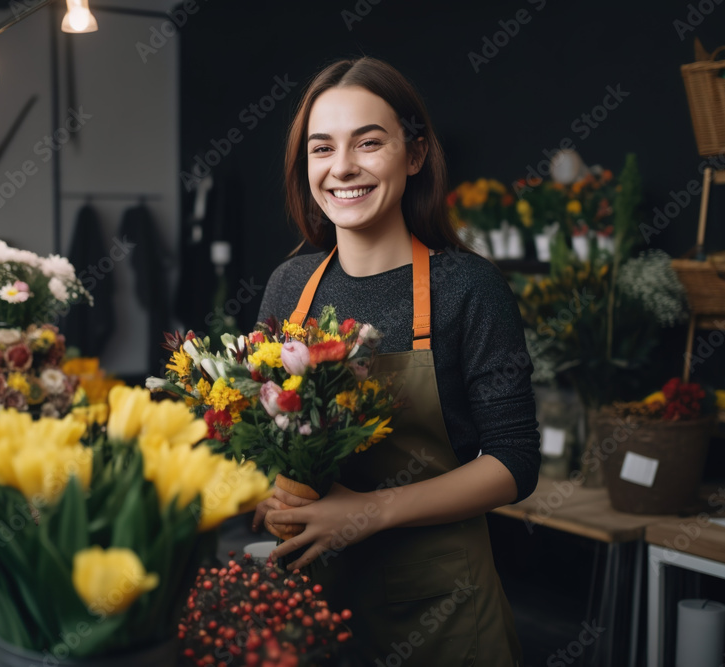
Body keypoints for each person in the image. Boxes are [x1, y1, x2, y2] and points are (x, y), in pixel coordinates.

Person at [251, 56, 539, 665]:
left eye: (369, 142)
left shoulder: (469, 288)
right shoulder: (289, 286)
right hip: (318, 598)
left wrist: (367, 512)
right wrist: (265, 492)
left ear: (414, 154)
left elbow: (515, 461)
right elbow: (265, 431)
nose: (342, 168)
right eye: (321, 148)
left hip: (444, 608)